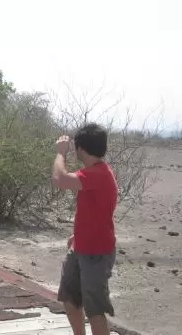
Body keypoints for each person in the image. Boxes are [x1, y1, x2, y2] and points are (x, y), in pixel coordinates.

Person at [52, 123, 118, 335]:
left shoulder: (99, 174)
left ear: (80, 148)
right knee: (70, 299)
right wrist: (77, 234)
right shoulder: (92, 173)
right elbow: (94, 210)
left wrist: (60, 153)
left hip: (97, 253)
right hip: (80, 247)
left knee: (95, 310)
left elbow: (60, 180)